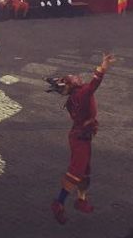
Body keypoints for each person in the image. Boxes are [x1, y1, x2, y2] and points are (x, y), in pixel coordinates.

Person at [47, 51, 115, 224]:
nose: (76, 77)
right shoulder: (82, 93)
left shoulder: (72, 99)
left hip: (80, 135)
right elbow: (95, 82)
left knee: (85, 172)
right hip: (80, 138)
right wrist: (103, 66)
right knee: (76, 171)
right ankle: (59, 203)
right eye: (73, 78)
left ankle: (82, 200)